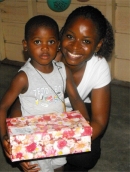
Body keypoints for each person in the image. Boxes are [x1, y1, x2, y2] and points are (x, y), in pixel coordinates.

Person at [9, 5, 114, 172]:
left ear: (98, 45)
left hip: (78, 112)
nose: (75, 47)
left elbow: (100, 121)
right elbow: (18, 105)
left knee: (84, 155)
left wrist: (67, 138)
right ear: (62, 34)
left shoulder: (98, 66)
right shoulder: (45, 58)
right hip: (43, 111)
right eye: (70, 36)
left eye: (86, 41)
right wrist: (21, 144)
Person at [0, 15, 89, 172]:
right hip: (33, 140)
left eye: (51, 42)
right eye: (37, 41)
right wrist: (6, 137)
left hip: (59, 135)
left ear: (58, 45)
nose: (45, 47)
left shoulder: (63, 70)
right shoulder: (23, 77)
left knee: (60, 167)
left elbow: (75, 98)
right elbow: (3, 107)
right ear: (26, 45)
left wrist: (85, 123)